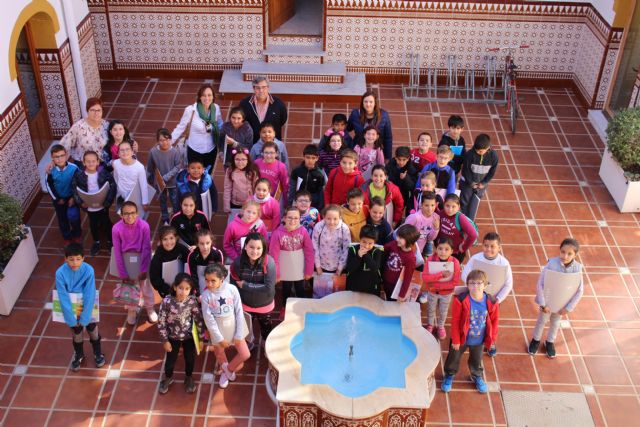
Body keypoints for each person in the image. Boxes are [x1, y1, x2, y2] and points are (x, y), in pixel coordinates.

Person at [441, 270, 499, 394]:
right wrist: (455, 340)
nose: (475, 286)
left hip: (479, 339)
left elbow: (495, 322)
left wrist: (492, 339)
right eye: (472, 283)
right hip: (462, 337)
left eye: (479, 283)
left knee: (476, 359)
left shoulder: (492, 301)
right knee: (454, 357)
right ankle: (449, 375)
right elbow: (455, 321)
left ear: (485, 285)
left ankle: (476, 375)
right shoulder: (461, 300)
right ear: (467, 285)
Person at [528, 238, 583, 359]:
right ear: (560, 250)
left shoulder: (578, 269)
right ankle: (536, 340)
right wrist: (543, 304)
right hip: (547, 302)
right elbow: (540, 284)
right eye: (563, 252)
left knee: (555, 323)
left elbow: (579, 290)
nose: (565, 256)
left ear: (575, 255)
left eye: (569, 254)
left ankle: (549, 342)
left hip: (561, 304)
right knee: (542, 321)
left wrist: (568, 308)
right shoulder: (551, 264)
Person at [462, 231, 513, 356]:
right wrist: (475, 288)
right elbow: (464, 275)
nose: (488, 249)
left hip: (492, 300)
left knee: (491, 323)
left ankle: (491, 343)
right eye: (486, 245)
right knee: (472, 319)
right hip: (475, 298)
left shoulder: (504, 263)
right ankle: (468, 338)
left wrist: (498, 300)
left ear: (499, 247)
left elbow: (508, 284)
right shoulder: (475, 259)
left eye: (492, 246)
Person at [201, 263, 251, 389]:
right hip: (218, 330)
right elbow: (209, 319)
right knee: (220, 354)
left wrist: (239, 334)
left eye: (213, 281)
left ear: (222, 279)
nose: (209, 284)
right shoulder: (206, 295)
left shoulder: (232, 289)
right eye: (207, 280)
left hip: (234, 327)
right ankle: (225, 372)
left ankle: (228, 369)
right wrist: (219, 338)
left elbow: (239, 311)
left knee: (245, 354)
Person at [56, 243, 105, 372]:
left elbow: (90, 293)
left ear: (83, 258)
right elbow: (63, 296)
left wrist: (85, 317)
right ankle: (79, 354)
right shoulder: (60, 273)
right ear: (65, 259)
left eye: (78, 259)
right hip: (71, 306)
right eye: (71, 259)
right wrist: (71, 319)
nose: (75, 262)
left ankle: (97, 352)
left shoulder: (89, 270)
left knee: (92, 328)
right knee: (76, 331)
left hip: (87, 303)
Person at [157, 273, 205, 394]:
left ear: (191, 290)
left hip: (189, 337)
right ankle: (168, 377)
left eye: (187, 289)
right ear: (174, 287)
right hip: (172, 337)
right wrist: (165, 340)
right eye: (180, 288)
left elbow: (198, 320)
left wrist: (200, 339)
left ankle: (188, 378)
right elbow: (161, 321)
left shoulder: (192, 301)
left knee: (190, 359)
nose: (183, 292)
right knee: (170, 361)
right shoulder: (167, 301)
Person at [112, 201, 156, 325]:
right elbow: (117, 252)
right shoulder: (116, 229)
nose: (129, 216)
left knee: (146, 287)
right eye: (126, 214)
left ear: (137, 213)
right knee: (130, 288)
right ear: (121, 215)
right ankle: (131, 310)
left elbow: (146, 248)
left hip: (142, 258)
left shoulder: (144, 226)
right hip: (126, 261)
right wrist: (123, 273)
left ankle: (150, 308)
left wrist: (143, 270)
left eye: (132, 213)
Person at [230, 232, 277, 344]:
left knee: (266, 330)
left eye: (258, 248)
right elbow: (233, 287)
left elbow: (269, 288)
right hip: (245, 305)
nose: (255, 251)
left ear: (263, 248)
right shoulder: (237, 263)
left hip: (264, 305)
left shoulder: (269, 263)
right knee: (245, 331)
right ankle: (248, 346)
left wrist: (245, 285)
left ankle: (267, 346)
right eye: (251, 247)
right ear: (245, 246)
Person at [72, 150, 117, 256]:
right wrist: (81, 203)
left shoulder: (103, 173)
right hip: (89, 206)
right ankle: (96, 242)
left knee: (106, 222)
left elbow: (112, 186)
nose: (91, 163)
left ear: (98, 162)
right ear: (83, 162)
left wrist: (107, 202)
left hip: (103, 205)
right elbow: (74, 189)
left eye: (93, 161)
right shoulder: (79, 175)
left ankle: (110, 241)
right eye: (88, 161)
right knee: (93, 224)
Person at [171, 83, 223, 170]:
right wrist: (169, 143)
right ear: (199, 97)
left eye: (209, 95)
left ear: (213, 97)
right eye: (204, 95)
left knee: (207, 177)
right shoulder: (191, 110)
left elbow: (220, 124)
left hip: (211, 149)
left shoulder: (216, 108)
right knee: (195, 177)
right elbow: (180, 127)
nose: (207, 98)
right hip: (195, 150)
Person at [269, 207, 315, 306]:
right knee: (286, 289)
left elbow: (309, 252)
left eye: (296, 218)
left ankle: (302, 308)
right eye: (290, 218)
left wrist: (309, 271)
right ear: (284, 218)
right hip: (285, 270)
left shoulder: (303, 232)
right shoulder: (277, 234)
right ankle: (284, 308)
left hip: (299, 268)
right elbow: (274, 256)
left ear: (299, 219)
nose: (293, 221)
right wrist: (276, 273)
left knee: (300, 289)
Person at [420, 237, 461, 339]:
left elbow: (454, 282)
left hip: (446, 294)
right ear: (436, 249)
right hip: (432, 292)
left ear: (452, 251)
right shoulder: (430, 260)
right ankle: (430, 324)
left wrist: (436, 285)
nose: (443, 252)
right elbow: (425, 277)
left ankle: (441, 326)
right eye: (440, 248)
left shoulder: (455, 263)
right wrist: (440, 275)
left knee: (443, 310)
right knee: (430, 309)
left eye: (446, 249)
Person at [46, 144, 81, 245]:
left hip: (72, 198)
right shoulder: (50, 171)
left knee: (74, 217)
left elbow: (79, 183)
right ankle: (67, 236)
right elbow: (49, 186)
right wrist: (57, 199)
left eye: (62, 155)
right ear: (52, 158)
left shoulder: (74, 168)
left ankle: (77, 234)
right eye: (56, 156)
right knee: (62, 219)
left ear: (66, 155)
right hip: (59, 199)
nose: (60, 158)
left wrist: (74, 197)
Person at [146, 128, 182, 225]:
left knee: (175, 200)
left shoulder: (174, 151)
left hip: (172, 182)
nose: (165, 142)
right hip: (159, 183)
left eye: (167, 139)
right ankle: (165, 217)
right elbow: (150, 166)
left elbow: (178, 165)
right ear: (158, 141)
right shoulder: (153, 152)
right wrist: (150, 178)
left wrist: (166, 177)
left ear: (170, 139)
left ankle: (176, 217)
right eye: (162, 140)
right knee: (162, 201)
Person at [459, 133, 498, 221]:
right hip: (467, 184)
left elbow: (492, 171)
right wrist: (471, 183)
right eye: (476, 150)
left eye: (480, 151)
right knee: (464, 201)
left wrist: (484, 183)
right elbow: (466, 170)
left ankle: (470, 221)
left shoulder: (494, 156)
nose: (477, 152)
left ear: (488, 148)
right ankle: (462, 220)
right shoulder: (469, 154)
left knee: (475, 202)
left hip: (481, 185)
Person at [59, 97, 108, 166]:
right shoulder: (78, 127)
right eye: (92, 110)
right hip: (84, 165)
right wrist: (54, 162)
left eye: (98, 110)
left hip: (101, 164)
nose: (96, 113)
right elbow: (64, 144)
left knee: (101, 175)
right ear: (87, 111)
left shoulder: (106, 125)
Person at [240, 76, 288, 144]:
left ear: (268, 88)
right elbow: (242, 122)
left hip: (273, 145)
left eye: (264, 87)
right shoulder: (244, 104)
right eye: (258, 88)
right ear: (253, 89)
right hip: (252, 144)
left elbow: (283, 120)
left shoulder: (279, 104)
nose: (261, 91)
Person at [347, 91, 393, 159]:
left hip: (376, 149)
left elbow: (388, 137)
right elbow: (347, 128)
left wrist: (388, 157)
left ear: (375, 103)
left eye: (371, 102)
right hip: (359, 148)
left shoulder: (384, 115)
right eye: (365, 101)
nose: (368, 104)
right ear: (362, 103)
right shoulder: (355, 114)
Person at [312, 204, 352, 281]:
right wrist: (317, 266)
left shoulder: (344, 229)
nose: (332, 222)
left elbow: (346, 249)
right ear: (324, 217)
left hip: (338, 267)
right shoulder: (319, 227)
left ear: (340, 217)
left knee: (336, 290)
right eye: (328, 219)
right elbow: (314, 246)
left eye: (335, 219)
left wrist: (340, 268)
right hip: (322, 266)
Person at [149, 226, 190, 299]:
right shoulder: (158, 255)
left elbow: (192, 261)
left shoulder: (181, 249)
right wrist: (168, 289)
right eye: (165, 239)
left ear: (176, 238)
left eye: (171, 238)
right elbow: (154, 277)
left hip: (184, 286)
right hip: (167, 289)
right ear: (161, 241)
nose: (169, 242)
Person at [382, 224, 420, 301]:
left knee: (392, 303)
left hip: (395, 286)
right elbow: (382, 249)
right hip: (385, 281)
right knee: (387, 297)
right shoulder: (394, 244)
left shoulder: (410, 259)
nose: (397, 239)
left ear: (409, 240)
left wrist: (402, 295)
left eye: (401, 238)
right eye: (398, 236)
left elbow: (407, 278)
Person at [437, 194, 478, 263]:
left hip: (456, 252)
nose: (450, 209)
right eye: (447, 206)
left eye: (453, 206)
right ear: (444, 205)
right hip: (443, 250)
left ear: (458, 207)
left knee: (453, 270)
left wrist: (464, 247)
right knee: (442, 269)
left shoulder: (460, 218)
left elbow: (473, 235)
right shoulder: (441, 213)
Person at [345, 225, 384, 296]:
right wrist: (358, 256)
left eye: (370, 243)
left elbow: (375, 268)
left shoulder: (377, 251)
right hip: (354, 287)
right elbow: (350, 268)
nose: (366, 246)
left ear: (374, 242)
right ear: (360, 239)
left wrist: (365, 254)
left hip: (371, 288)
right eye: (364, 242)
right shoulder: (353, 249)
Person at [112, 140, 149, 211]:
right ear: (118, 153)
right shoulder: (116, 164)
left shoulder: (139, 167)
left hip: (134, 196)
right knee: (122, 214)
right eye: (122, 150)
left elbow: (143, 185)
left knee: (135, 215)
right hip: (121, 196)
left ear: (132, 152)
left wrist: (145, 202)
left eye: (127, 149)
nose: (125, 152)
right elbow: (116, 177)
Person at [186, 229, 225, 295]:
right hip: (198, 286)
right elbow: (193, 276)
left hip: (214, 286)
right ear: (197, 243)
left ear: (211, 242)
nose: (205, 247)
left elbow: (220, 275)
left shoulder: (217, 254)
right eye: (201, 244)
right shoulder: (193, 255)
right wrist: (197, 294)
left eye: (207, 243)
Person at [223, 148, 259, 217]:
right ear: (233, 160)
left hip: (249, 203)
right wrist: (226, 205)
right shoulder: (230, 171)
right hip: (235, 203)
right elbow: (227, 188)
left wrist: (256, 202)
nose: (240, 162)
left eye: (243, 159)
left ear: (248, 160)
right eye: (237, 159)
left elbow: (256, 188)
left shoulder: (253, 172)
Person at [288, 144, 326, 209]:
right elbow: (292, 188)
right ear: (303, 157)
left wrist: (320, 208)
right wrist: (290, 203)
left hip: (313, 204)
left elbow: (321, 193)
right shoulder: (296, 171)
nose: (310, 160)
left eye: (313, 158)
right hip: (299, 202)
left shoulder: (320, 174)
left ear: (317, 158)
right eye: (308, 157)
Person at [404, 191, 440, 257]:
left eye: (432, 205)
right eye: (426, 205)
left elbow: (430, 238)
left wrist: (436, 229)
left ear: (436, 205)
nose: (430, 209)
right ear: (421, 205)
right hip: (407, 249)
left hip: (419, 251)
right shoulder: (415, 217)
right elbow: (403, 232)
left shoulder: (436, 218)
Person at [386, 146, 417, 215]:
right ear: (395, 158)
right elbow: (385, 172)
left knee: (399, 210)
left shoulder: (411, 169)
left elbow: (412, 187)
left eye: (404, 160)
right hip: (391, 192)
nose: (401, 162)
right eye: (399, 159)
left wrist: (406, 178)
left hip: (403, 194)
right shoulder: (391, 163)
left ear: (408, 159)